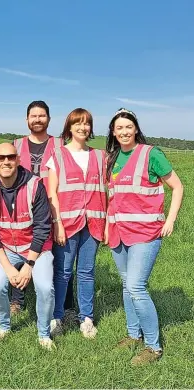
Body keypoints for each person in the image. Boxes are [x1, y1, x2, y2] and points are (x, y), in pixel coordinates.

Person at [105, 108, 183, 365]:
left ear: (135, 129)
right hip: (119, 233)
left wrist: (170, 219)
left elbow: (177, 186)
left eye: (128, 127)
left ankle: (153, 346)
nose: (124, 132)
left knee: (137, 286)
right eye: (119, 128)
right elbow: (114, 197)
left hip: (145, 234)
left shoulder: (151, 154)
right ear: (113, 133)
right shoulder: (112, 158)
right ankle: (133, 334)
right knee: (127, 285)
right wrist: (107, 226)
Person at [0, 143, 55, 350]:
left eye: (10, 157)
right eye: (0, 158)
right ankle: (4, 326)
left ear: (18, 159)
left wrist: (28, 265)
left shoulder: (35, 184)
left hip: (36, 249)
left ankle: (44, 334)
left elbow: (42, 227)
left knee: (45, 288)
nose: (6, 161)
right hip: (6, 250)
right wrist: (9, 268)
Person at [45, 108, 106, 339]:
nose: (83, 127)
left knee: (87, 271)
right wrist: (57, 223)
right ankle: (57, 317)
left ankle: (86, 318)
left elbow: (107, 191)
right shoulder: (58, 156)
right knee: (62, 272)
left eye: (87, 123)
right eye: (78, 123)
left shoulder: (100, 156)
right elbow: (52, 193)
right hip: (67, 224)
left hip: (93, 223)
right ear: (69, 127)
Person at [11, 100, 75, 319]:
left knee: (60, 257)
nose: (37, 119)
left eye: (41, 115)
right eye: (33, 116)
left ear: (48, 118)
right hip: (22, 209)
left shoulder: (61, 144)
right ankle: (17, 300)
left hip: (55, 207)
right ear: (27, 119)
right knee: (21, 252)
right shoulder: (16, 145)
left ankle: (66, 305)